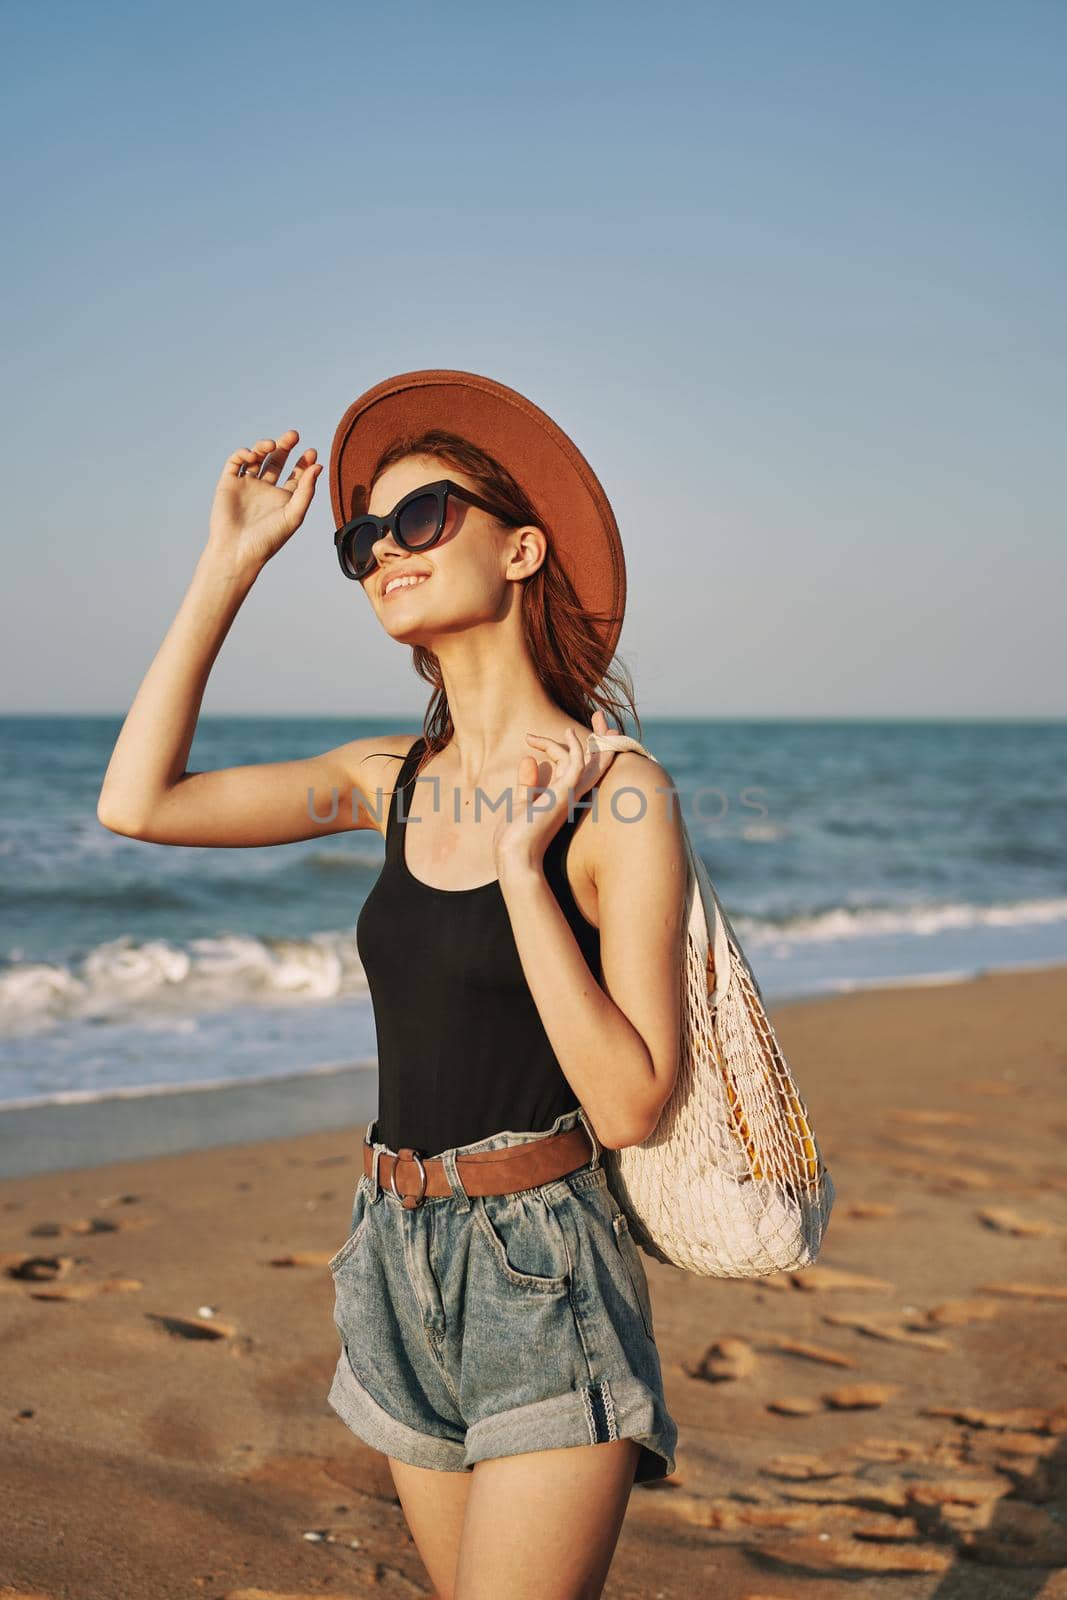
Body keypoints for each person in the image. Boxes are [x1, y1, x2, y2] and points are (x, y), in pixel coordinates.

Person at [97, 370, 687, 1600]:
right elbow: (136, 803)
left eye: (421, 521)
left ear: (520, 549)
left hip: (543, 1266)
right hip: (388, 1249)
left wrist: (524, 871)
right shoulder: (386, 779)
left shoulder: (617, 796)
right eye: (364, 540)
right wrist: (231, 563)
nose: (382, 553)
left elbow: (631, 1103)